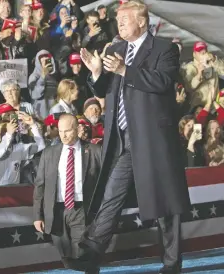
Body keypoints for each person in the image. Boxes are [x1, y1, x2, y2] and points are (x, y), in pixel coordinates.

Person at [76, 1, 190, 273]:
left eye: (125, 19)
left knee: (164, 202)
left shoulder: (165, 49)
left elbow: (162, 83)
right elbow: (106, 88)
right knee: (111, 195)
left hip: (152, 139)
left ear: (142, 22)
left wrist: (126, 70)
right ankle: (91, 253)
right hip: (123, 139)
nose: (120, 24)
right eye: (118, 20)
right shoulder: (115, 49)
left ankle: (172, 264)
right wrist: (95, 73)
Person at [33, 114, 101, 273]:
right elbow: (40, 185)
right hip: (56, 211)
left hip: (81, 211)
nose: (63, 135)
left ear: (78, 129)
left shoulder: (94, 151)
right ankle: (92, 267)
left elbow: (104, 181)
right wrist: (37, 215)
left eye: (68, 131)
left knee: (82, 253)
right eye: (61, 131)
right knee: (66, 258)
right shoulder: (49, 153)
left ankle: (92, 268)